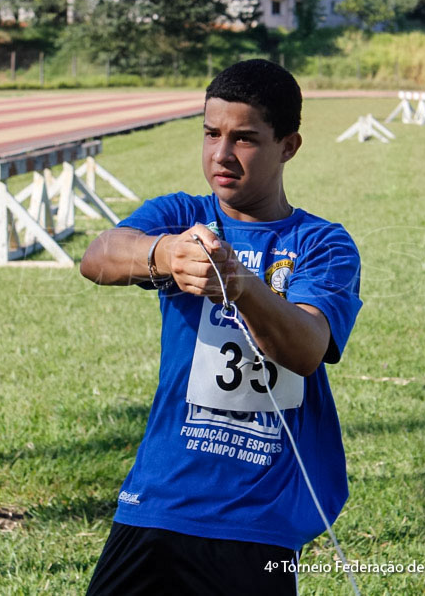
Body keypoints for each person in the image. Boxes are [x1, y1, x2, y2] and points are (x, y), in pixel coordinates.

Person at [79, 59, 362, 595]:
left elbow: (305, 348)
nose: (221, 154)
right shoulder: (182, 214)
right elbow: (99, 256)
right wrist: (162, 253)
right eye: (211, 133)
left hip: (259, 514)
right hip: (157, 500)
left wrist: (243, 283)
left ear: (289, 145)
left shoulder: (323, 243)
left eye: (245, 138)